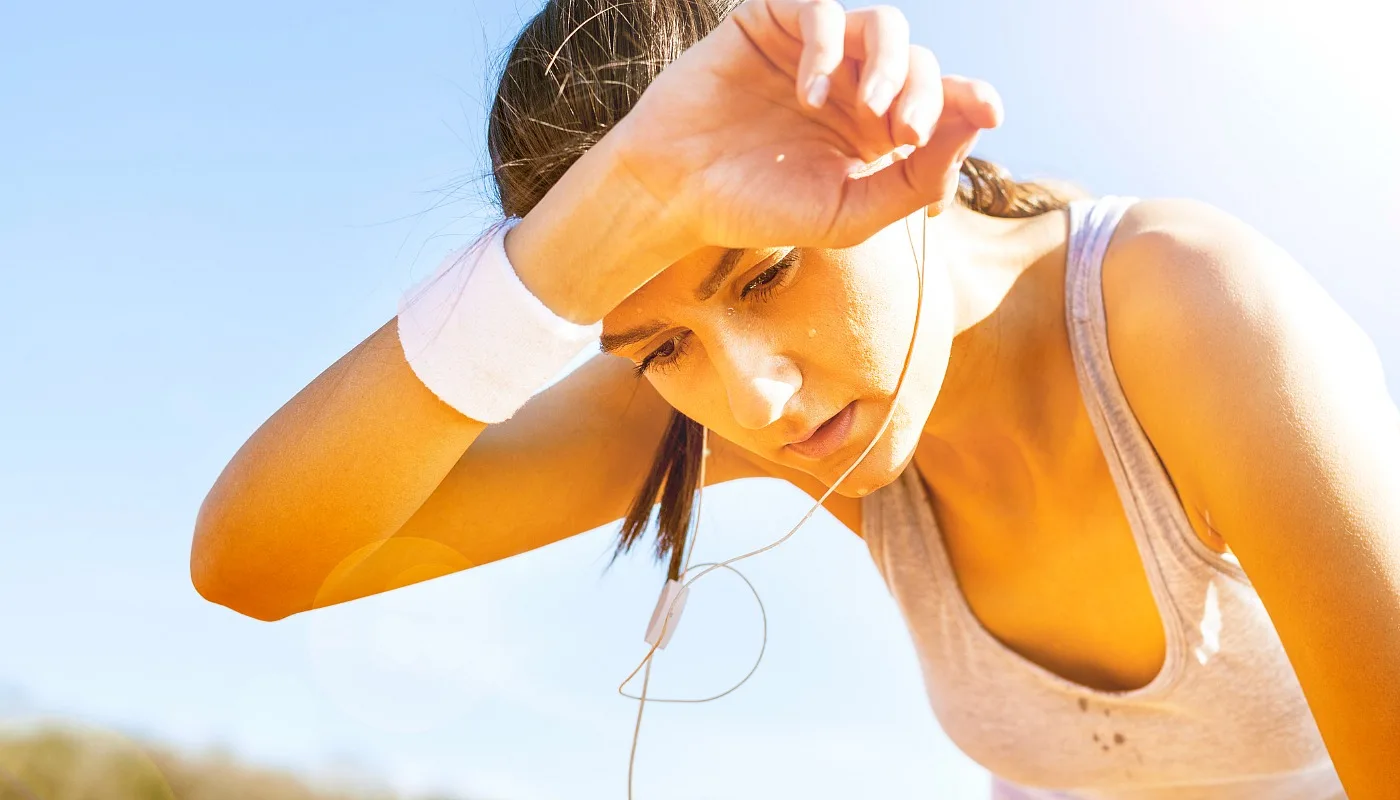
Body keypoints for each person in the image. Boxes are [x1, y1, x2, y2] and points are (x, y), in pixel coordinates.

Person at [188, 0, 1400, 796]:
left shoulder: (1187, 311)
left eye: (765, 273)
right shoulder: (734, 398)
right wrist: (551, 265)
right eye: (657, 346)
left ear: (887, 146)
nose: (753, 395)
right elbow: (259, 561)